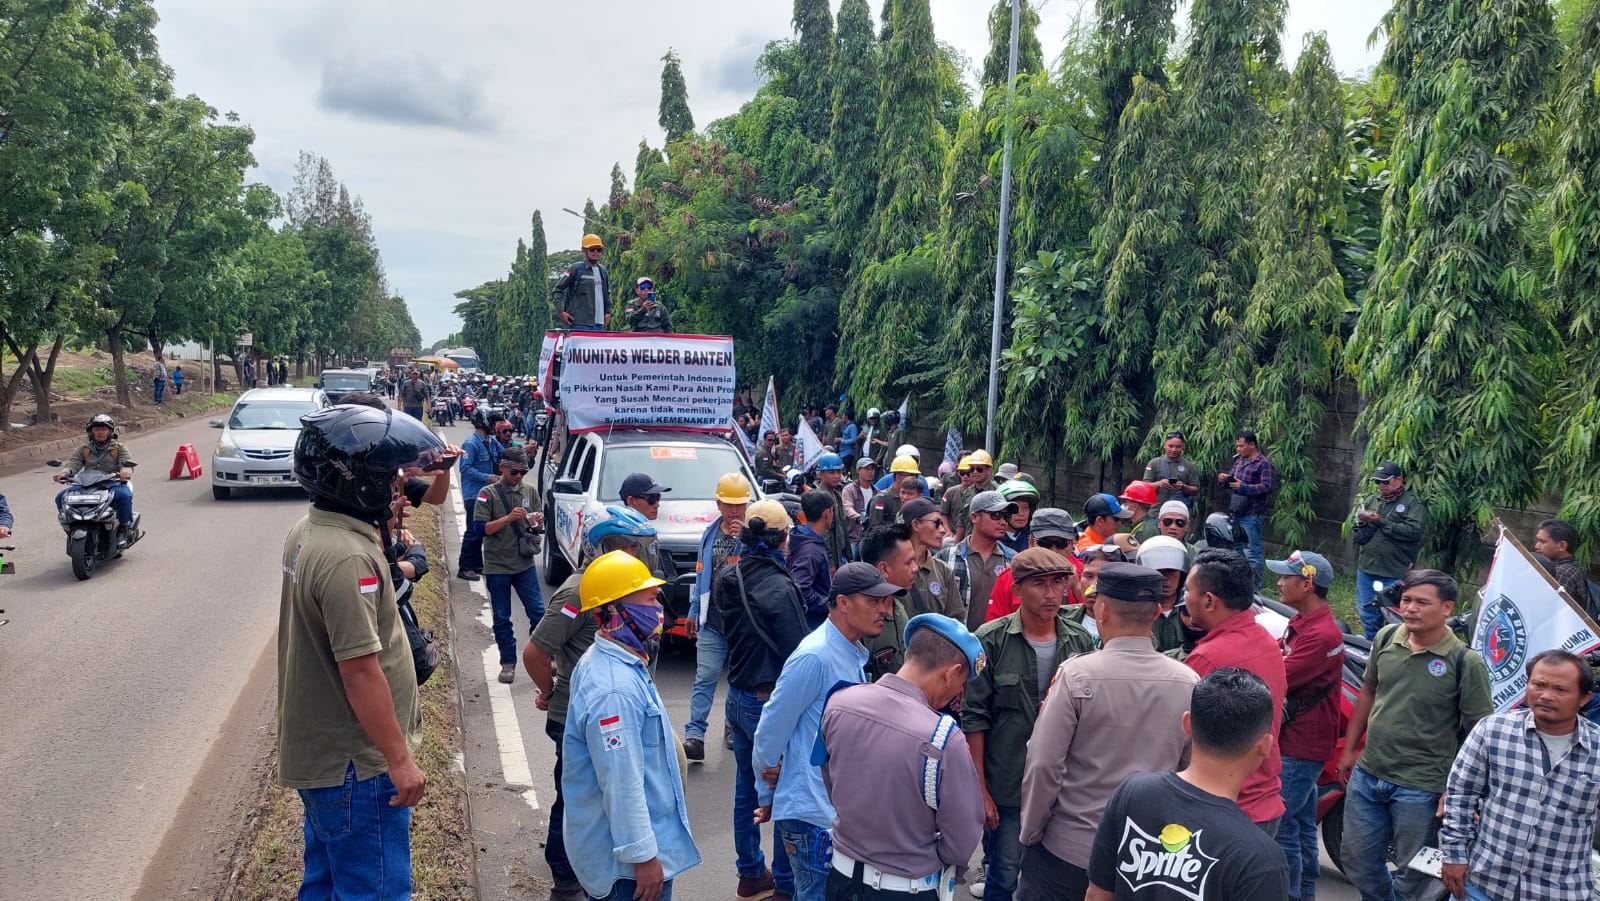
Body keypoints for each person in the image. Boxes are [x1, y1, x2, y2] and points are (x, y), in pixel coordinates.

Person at [279, 404, 445, 898]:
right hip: (357, 764)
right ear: (359, 483)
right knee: (375, 890)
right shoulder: (348, 558)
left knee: (326, 879)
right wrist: (398, 759)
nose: (397, 489)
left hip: (329, 756)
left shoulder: (312, 529)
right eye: (389, 478)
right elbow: (359, 672)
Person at [1016, 563, 1199, 901]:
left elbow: (1043, 763)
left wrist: (1031, 829)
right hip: (1145, 856)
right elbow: (1190, 771)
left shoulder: (1076, 676)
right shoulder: (1188, 682)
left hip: (1070, 849)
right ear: (1156, 613)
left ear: (1101, 611)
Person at [523, 507, 656, 901]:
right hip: (578, 712)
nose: (638, 556)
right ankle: (564, 877)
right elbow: (535, 651)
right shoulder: (580, 592)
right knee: (576, 798)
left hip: (603, 707)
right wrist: (551, 692)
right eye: (631, 548)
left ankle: (591, 867)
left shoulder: (621, 587)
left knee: (599, 798)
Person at [1335, 570, 1492, 901]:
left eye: (1422, 602)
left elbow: (1480, 732)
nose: (1410, 608)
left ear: (1447, 608)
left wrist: (1458, 789)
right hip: (1369, 771)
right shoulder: (1386, 638)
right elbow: (1368, 691)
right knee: (1356, 858)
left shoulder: (1465, 662)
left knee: (1414, 870)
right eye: (1406, 600)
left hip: (1421, 785)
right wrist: (1349, 749)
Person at [753, 564, 905, 901]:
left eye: (885, 602)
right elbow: (770, 730)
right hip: (812, 815)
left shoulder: (849, 652)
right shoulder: (815, 656)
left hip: (831, 811)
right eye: (873, 601)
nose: (883, 611)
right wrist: (768, 795)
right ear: (843, 603)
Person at [816, 615, 986, 901]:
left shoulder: (839, 702)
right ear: (951, 672)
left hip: (842, 877)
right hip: (906, 887)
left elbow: (831, 782)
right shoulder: (944, 738)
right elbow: (962, 838)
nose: (959, 693)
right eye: (961, 682)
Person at [563, 550, 700, 901]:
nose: (659, 608)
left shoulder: (619, 661)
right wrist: (642, 857)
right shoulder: (614, 690)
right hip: (626, 871)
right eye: (651, 599)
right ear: (616, 610)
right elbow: (620, 779)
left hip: (632, 855)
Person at [1084, 668, 1291, 901]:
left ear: (1187, 724)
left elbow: (1096, 895)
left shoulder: (1132, 793)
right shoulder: (1261, 861)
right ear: (1265, 746)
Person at [964, 549, 1095, 901]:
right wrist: (981, 791)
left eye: (1058, 583)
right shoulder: (990, 640)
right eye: (1039, 584)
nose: (1051, 594)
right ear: (1017, 590)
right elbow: (974, 718)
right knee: (1004, 875)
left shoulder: (1079, 641)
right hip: (1009, 786)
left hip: (1064, 789)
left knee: (1052, 879)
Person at [1441, 649, 1600, 901]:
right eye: (1538, 685)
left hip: (1559, 891)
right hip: (1482, 884)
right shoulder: (1493, 730)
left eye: (1560, 689)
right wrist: (1454, 855)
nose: (1546, 695)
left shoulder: (1596, 748)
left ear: (1584, 697)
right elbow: (1461, 793)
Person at [715, 499, 809, 901]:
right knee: (784, 791)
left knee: (746, 791)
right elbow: (799, 654)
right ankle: (785, 885)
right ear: (782, 539)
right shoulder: (780, 587)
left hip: (737, 697)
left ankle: (751, 872)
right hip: (769, 703)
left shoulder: (728, 575)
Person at [1182, 549, 1287, 833]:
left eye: (1188, 590)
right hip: (1263, 803)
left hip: (1223, 809)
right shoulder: (1266, 641)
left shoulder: (1207, 659)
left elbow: (1183, 738)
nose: (1185, 598)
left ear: (1209, 600)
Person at [1265, 551, 1343, 901]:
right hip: (1298, 740)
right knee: (1300, 824)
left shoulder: (1320, 635)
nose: (1280, 582)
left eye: (1286, 576)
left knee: (1281, 824)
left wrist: (1274, 660)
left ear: (1307, 583)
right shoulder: (1302, 623)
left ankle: (1291, 893)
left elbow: (1277, 675)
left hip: (1300, 745)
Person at [684, 473, 752, 759]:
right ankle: (695, 736)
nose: (735, 510)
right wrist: (694, 610)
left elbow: (762, 568)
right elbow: (701, 573)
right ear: (718, 504)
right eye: (729, 504)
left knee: (738, 679)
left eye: (740, 504)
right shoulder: (709, 533)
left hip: (742, 623)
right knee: (705, 678)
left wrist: (746, 539)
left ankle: (732, 727)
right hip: (712, 621)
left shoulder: (753, 534)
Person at [476, 447, 545, 683]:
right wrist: (508, 518)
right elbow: (481, 529)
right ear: (502, 468)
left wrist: (536, 523)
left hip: (524, 564)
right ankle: (508, 662)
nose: (518, 476)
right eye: (514, 471)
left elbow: (538, 527)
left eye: (523, 472)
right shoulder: (487, 494)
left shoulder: (530, 491)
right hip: (497, 565)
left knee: (538, 612)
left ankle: (542, 655)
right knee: (502, 617)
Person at [1353, 461, 1428, 639]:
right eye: (1378, 482)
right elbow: (1357, 531)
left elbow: (1413, 532)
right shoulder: (1372, 500)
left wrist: (1380, 521)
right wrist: (1360, 521)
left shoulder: (1412, 504)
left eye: (1385, 482)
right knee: (1367, 612)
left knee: (1396, 617)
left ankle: (1394, 647)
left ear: (1399, 479)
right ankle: (1371, 645)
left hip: (1394, 571)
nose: (1381, 486)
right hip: (1367, 568)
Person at [938, 491, 1018, 633]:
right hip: (955, 641)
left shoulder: (1014, 561)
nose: (1003, 522)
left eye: (1006, 516)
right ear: (974, 517)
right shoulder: (946, 558)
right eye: (996, 515)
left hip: (997, 642)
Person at [985, 509, 1081, 623]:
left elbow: (1096, 621)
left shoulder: (1088, 574)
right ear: (1030, 543)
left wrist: (1077, 588)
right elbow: (995, 626)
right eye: (1045, 543)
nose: (1053, 550)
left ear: (1072, 544)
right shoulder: (1009, 578)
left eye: (1061, 543)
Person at [54, 414, 137, 540]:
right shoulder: (84, 449)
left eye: (104, 429)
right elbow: (73, 463)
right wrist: (63, 473)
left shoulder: (119, 448)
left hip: (112, 483)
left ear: (110, 431)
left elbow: (127, 462)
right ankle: (70, 526)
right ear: (91, 432)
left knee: (124, 496)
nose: (100, 432)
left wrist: (125, 472)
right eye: (97, 429)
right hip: (87, 484)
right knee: (61, 497)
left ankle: (123, 528)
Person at [859, 524, 918, 682]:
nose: (915, 568)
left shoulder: (899, 607)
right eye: (908, 563)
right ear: (884, 569)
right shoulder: (860, 622)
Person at [1217, 430, 1275, 585]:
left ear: (1252, 445)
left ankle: (1256, 586)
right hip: (1236, 511)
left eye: (1241, 446)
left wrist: (1243, 486)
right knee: (1236, 549)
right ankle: (1240, 584)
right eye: (1237, 446)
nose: (1238, 449)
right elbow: (1232, 484)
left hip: (1252, 513)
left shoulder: (1263, 463)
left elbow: (1267, 487)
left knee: (1252, 552)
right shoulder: (1239, 461)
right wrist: (1224, 480)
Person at [456, 412, 505, 581]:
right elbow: (465, 469)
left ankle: (477, 564)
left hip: (486, 494)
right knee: (472, 531)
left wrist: (523, 452)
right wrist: (487, 477)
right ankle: (465, 567)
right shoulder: (471, 444)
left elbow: (505, 454)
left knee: (480, 530)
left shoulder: (490, 441)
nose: (496, 427)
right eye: (493, 423)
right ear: (484, 422)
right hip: (473, 494)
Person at [898, 497, 964, 620]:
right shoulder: (891, 570)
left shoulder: (943, 570)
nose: (943, 530)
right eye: (937, 523)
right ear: (916, 525)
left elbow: (955, 619)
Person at [1135, 536, 1189, 654]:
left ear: (1182, 574)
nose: (1164, 578)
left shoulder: (1191, 613)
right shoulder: (1134, 613)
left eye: (1171, 571)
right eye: (1158, 571)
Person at [619, 472, 674, 583]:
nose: (657, 504)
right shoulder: (618, 534)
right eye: (651, 499)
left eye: (658, 497)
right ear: (631, 501)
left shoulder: (648, 532)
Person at [791, 491, 836, 628]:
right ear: (827, 513)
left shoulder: (805, 536)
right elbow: (801, 588)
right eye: (833, 510)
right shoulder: (810, 551)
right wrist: (828, 604)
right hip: (812, 623)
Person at [1535, 518, 1593, 617]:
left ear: (1562, 545)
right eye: (1537, 540)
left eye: (1542, 542)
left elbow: (1547, 613)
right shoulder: (1573, 566)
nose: (1536, 546)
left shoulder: (1563, 572)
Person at [556, 234, 613, 329]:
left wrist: (609, 312)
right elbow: (558, 290)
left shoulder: (603, 271)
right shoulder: (576, 268)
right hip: (579, 323)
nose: (595, 252)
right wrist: (561, 312)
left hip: (599, 324)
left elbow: (608, 293)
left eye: (599, 249)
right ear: (584, 250)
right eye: (592, 249)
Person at [1141, 430, 1200, 508]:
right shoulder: (1154, 463)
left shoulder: (1189, 466)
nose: (1174, 450)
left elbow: (1195, 490)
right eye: (1171, 446)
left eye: (1178, 447)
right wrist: (1159, 484)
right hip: (1157, 510)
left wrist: (1183, 487)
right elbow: (1144, 487)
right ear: (1165, 445)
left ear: (1182, 447)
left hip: (1180, 510)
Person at [813, 453, 851, 568]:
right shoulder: (820, 497)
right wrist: (830, 563)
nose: (836, 476)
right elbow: (823, 534)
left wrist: (849, 556)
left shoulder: (836, 493)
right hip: (832, 557)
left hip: (841, 553)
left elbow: (842, 527)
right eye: (831, 472)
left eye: (838, 472)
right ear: (821, 474)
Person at [842, 459, 876, 562]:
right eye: (866, 469)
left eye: (872, 469)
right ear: (858, 470)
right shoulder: (849, 490)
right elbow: (847, 507)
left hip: (869, 539)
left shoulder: (877, 492)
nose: (870, 472)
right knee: (849, 566)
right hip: (853, 538)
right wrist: (859, 517)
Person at [998, 479, 1039, 554]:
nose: (1021, 513)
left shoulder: (1037, 539)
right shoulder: (992, 538)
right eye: (1016, 508)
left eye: (1026, 508)